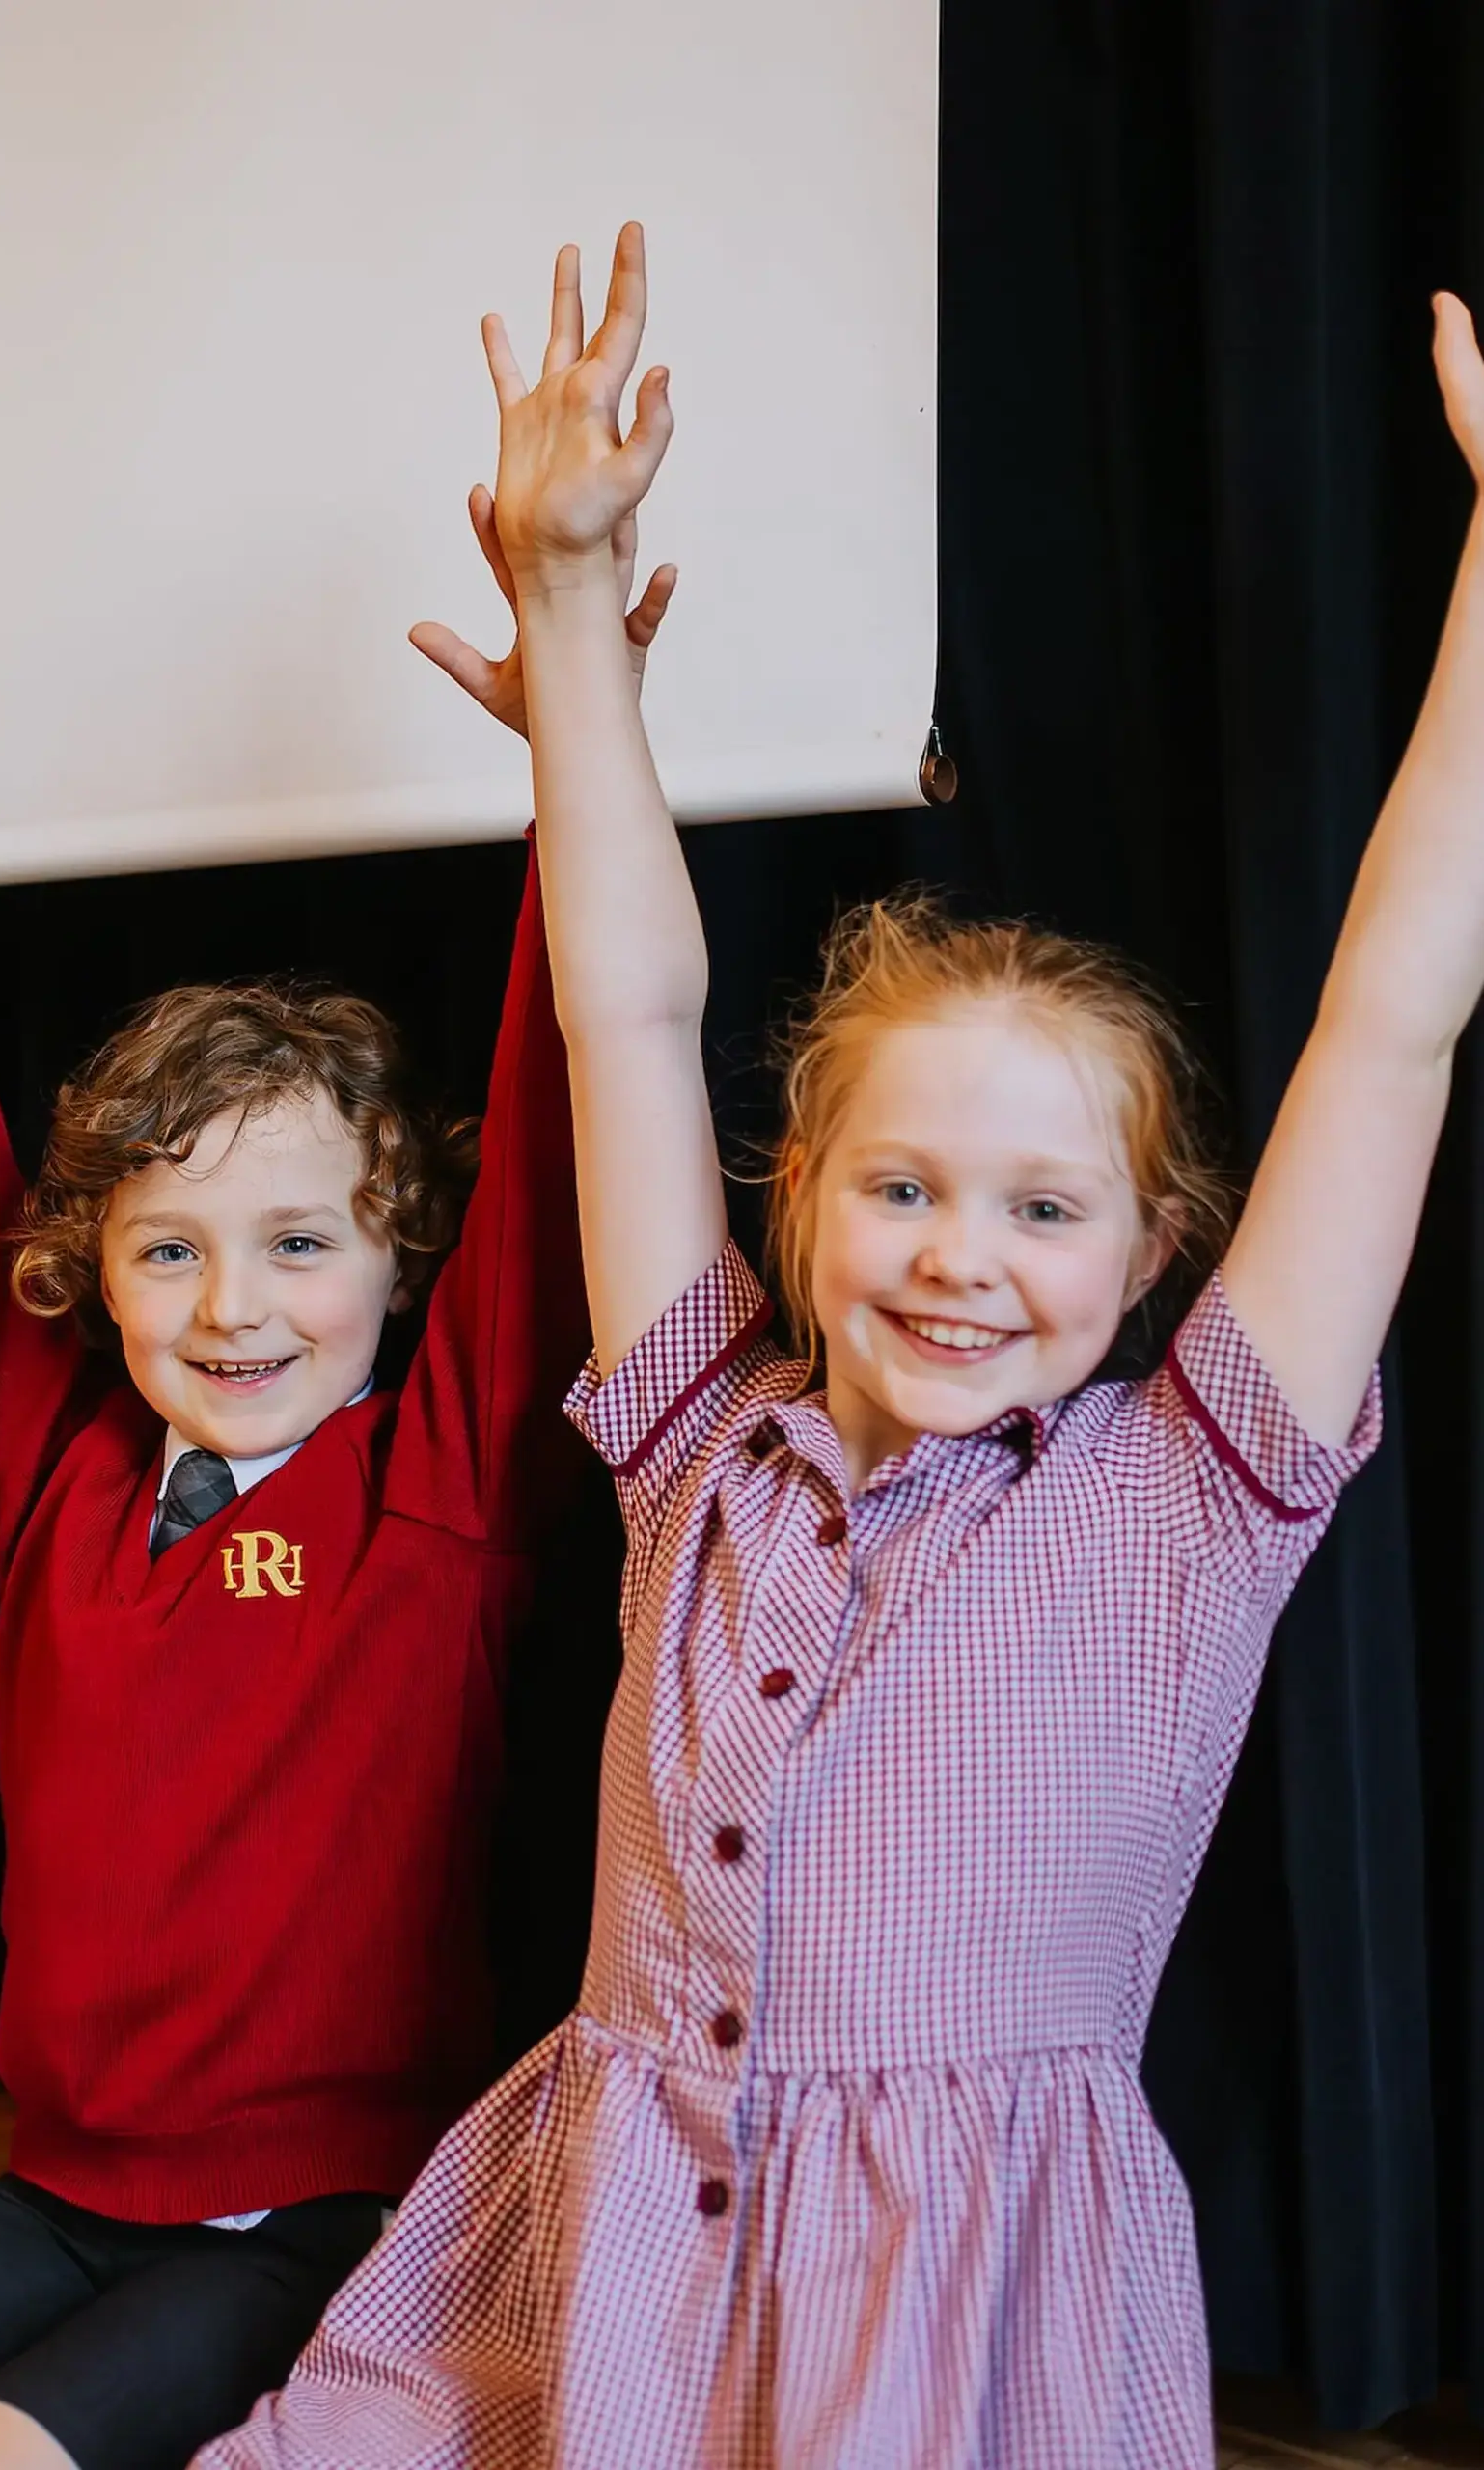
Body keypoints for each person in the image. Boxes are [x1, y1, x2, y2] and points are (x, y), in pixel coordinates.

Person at [199, 229, 1484, 2468]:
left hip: (940, 2329)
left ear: (1153, 1247)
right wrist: (576, 613)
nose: (961, 1255)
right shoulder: (698, 1435)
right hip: (608, 2276)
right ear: (800, 1196)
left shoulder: (1192, 1492)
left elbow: (1390, 1023)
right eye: (901, 1187)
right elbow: (632, 1010)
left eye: (1042, 1206)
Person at [0, 546, 670, 2470]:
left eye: (298, 1240)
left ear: (399, 1248)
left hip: (320, 2224)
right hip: (57, 2191)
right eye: (169, 1247)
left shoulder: (436, 1487)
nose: (235, 1302)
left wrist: (579, 743)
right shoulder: (65, 1471)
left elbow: (583, 1056)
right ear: (93, 1267)